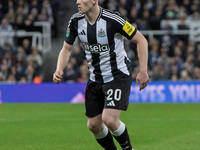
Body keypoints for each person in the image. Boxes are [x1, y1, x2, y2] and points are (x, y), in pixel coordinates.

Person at [53, 0, 149, 149]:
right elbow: (66, 49)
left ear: (94, 1)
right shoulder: (75, 21)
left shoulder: (113, 19)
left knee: (109, 119)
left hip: (117, 75)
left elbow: (141, 40)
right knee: (93, 125)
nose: (77, 2)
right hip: (95, 78)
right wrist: (59, 69)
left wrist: (143, 71)